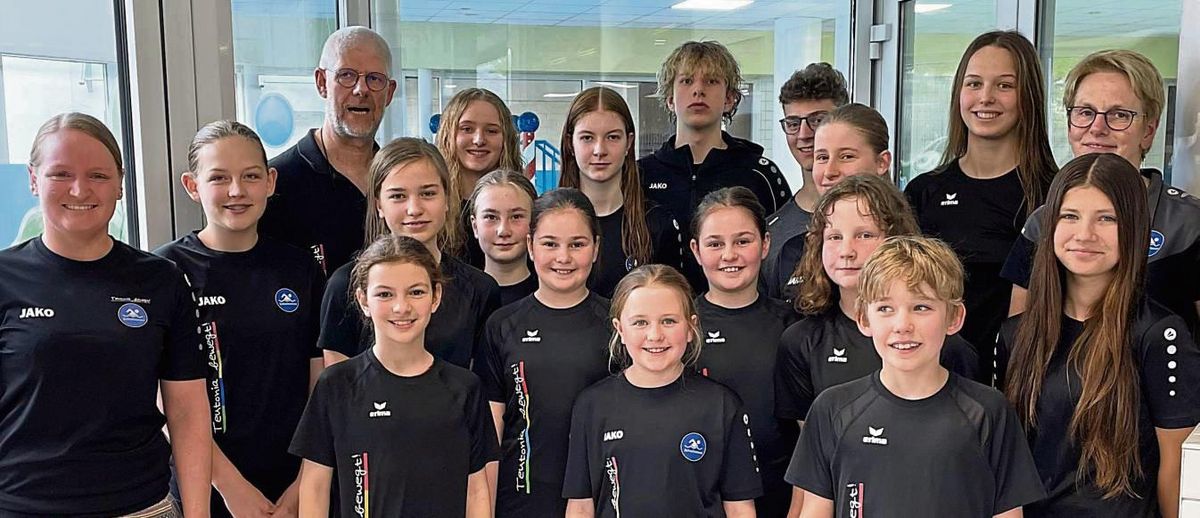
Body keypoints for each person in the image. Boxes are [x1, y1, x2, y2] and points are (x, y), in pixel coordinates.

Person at [0, 112, 211, 516]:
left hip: (140, 506)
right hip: (23, 506)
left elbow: (187, 412)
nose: (79, 189)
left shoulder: (160, 280)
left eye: (98, 175)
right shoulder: (5, 278)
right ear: (33, 179)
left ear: (119, 184)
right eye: (60, 173)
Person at [996, 153, 1200, 517]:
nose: (1084, 234)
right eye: (1069, 216)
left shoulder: (1160, 335)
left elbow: (1177, 469)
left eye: (1106, 218)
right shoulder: (1016, 336)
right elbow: (1003, 463)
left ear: (1134, 227)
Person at [788, 236, 1044, 517]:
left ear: (954, 317)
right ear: (864, 318)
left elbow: (1009, 513)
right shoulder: (832, 409)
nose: (902, 325)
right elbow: (815, 510)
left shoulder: (988, 411)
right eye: (885, 308)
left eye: (921, 307)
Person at [155, 120, 325, 517]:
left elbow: (322, 385)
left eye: (250, 176)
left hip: (294, 483)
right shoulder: (164, 271)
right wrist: (232, 489)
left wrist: (304, 485)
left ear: (270, 181)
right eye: (219, 178)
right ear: (192, 186)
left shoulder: (299, 269)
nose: (236, 190)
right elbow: (164, 400)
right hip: (205, 487)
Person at [290, 234, 499, 517]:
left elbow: (476, 489)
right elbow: (314, 487)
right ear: (363, 300)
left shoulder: (465, 388)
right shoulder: (336, 385)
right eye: (385, 294)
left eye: (416, 292)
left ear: (436, 296)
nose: (402, 307)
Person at [1002, 49, 1200, 337]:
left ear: (1149, 130)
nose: (1097, 128)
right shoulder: (1042, 223)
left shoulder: (1188, 224)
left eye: (1119, 115)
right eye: (1085, 112)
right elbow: (1020, 338)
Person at [905, 31, 1058, 380]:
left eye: (1004, 86)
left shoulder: (1054, 194)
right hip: (935, 381)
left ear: (1028, 97)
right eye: (974, 83)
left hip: (1022, 381)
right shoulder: (924, 192)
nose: (985, 97)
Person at [776, 174, 979, 425]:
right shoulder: (801, 342)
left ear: (897, 238)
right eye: (834, 237)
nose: (847, 251)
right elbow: (811, 443)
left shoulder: (942, 343)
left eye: (864, 235)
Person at [563, 264, 761, 517]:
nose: (655, 335)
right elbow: (580, 506)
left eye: (668, 321)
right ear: (620, 329)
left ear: (691, 327)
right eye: (640, 322)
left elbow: (740, 508)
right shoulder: (591, 406)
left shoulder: (722, 405)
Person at [475, 188, 612, 517]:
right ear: (531, 247)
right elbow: (490, 434)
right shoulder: (503, 325)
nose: (563, 257)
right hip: (521, 498)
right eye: (550, 244)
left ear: (595, 249)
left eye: (577, 245)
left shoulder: (616, 324)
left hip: (602, 496)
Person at [320, 138, 500, 368]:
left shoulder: (480, 289)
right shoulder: (344, 285)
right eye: (398, 196)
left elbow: (481, 390)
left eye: (427, 194)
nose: (414, 209)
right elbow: (337, 389)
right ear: (378, 205)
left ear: (447, 198)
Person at [639, 40, 792, 289]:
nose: (698, 90)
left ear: (730, 98)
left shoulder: (760, 174)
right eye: (687, 81)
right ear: (669, 99)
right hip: (660, 318)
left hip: (742, 316)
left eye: (711, 81)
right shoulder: (640, 174)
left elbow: (784, 251)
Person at [691, 187, 800, 517]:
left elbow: (810, 438)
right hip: (700, 496)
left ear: (765, 244)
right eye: (715, 244)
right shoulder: (679, 329)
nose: (729, 255)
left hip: (779, 495)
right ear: (696, 251)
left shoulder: (794, 326)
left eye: (743, 241)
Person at [259, 27, 397, 276]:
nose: (361, 90)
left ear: (389, 92)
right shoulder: (275, 184)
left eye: (374, 79)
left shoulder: (399, 181)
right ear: (322, 83)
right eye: (347, 75)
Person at [559, 86, 683, 297]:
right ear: (571, 144)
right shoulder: (545, 223)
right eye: (587, 138)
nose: (599, 150)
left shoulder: (656, 223)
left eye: (612, 137)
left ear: (629, 142)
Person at [770, 102, 894, 302]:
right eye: (822, 157)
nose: (829, 171)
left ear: (882, 162)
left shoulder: (913, 254)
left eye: (846, 156)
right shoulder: (793, 252)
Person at [764, 63, 850, 302]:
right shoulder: (773, 232)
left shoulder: (884, 220)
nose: (804, 134)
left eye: (818, 120)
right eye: (793, 123)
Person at [437, 88, 525, 267]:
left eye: (491, 131)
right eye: (467, 129)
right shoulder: (433, 210)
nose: (478, 140)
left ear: (506, 139)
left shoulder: (526, 206)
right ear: (448, 135)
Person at [468, 169, 538, 305]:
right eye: (491, 217)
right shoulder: (457, 298)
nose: (503, 231)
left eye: (516, 217)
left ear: (534, 223)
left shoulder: (553, 295)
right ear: (475, 226)